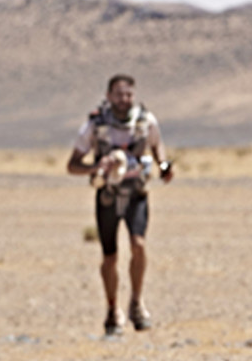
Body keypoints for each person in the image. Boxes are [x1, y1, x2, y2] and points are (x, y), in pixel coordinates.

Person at [67, 74, 174, 336]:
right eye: (119, 94)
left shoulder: (145, 121)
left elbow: (157, 145)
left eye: (128, 94)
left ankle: (137, 301)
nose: (124, 99)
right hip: (108, 196)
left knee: (138, 245)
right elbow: (72, 164)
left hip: (137, 192)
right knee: (110, 256)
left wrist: (163, 166)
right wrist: (96, 168)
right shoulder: (95, 125)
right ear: (109, 95)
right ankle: (112, 309)